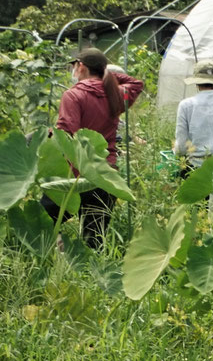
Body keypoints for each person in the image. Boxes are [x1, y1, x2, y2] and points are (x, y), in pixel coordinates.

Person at [43, 48, 144, 249]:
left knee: (43, 221)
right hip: (105, 175)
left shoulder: (73, 95)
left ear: (80, 67)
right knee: (94, 240)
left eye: (74, 66)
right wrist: (103, 73)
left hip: (76, 176)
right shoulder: (116, 93)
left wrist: (47, 135)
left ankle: (58, 252)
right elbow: (136, 83)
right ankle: (89, 276)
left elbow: (67, 134)